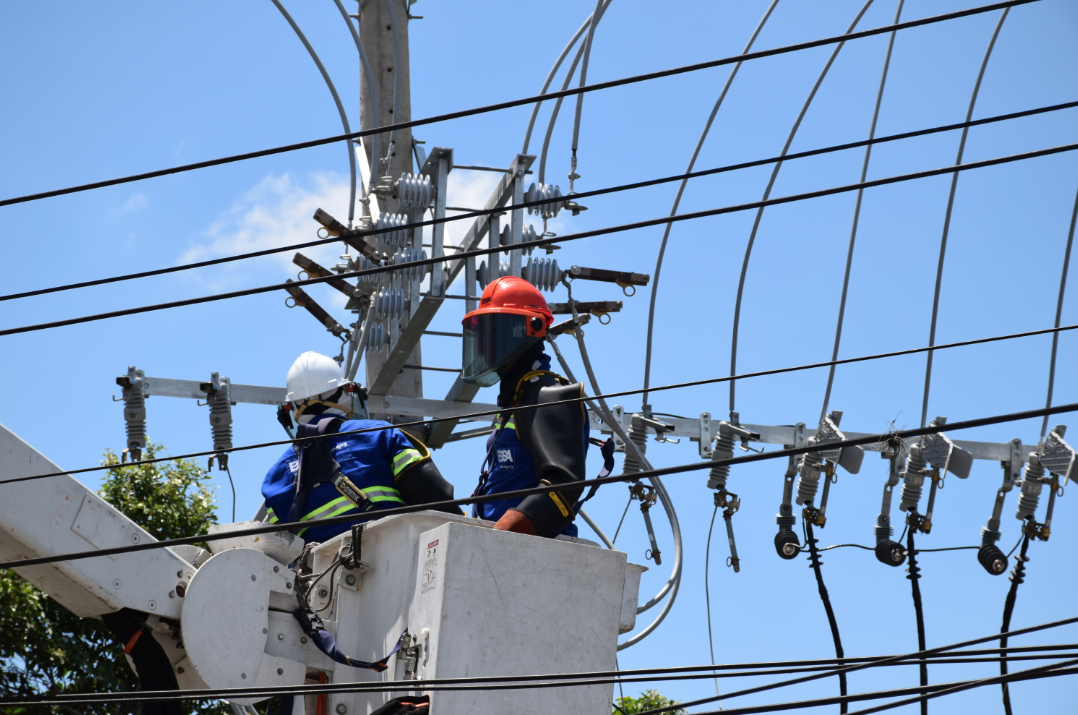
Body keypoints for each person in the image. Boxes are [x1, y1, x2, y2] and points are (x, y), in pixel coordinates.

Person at [262, 351, 459, 542]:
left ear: (291, 410)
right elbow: (437, 500)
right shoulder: (380, 435)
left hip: (318, 564)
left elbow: (278, 549)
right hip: (392, 553)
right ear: (346, 393)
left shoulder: (275, 478)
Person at [461, 276, 590, 538]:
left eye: (493, 331)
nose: (484, 345)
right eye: (482, 333)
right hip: (500, 548)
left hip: (536, 551)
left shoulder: (548, 395)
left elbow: (565, 483)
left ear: (526, 329)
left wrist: (504, 534)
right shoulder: (518, 400)